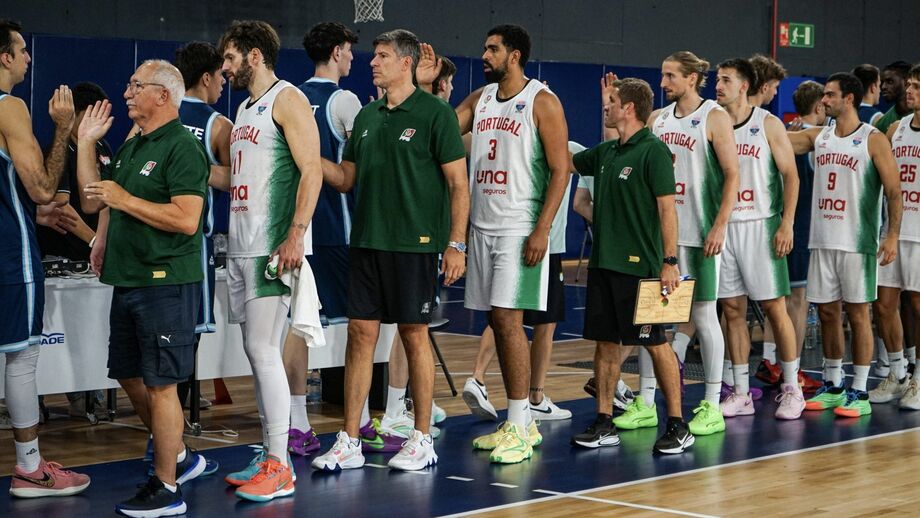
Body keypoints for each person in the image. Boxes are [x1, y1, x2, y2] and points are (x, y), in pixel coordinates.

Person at [311, 29, 468, 472]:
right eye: (373, 55)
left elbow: (459, 185)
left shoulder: (435, 114)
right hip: (366, 242)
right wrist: (308, 154)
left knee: (413, 334)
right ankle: (350, 439)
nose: (372, 62)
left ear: (406, 63)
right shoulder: (367, 116)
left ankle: (420, 438)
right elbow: (346, 179)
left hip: (415, 246)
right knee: (360, 335)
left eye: (381, 56)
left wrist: (455, 245)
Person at [418, 24, 571, 464]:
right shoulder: (481, 99)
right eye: (484, 48)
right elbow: (440, 129)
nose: (484, 55)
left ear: (515, 55)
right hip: (481, 227)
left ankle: (522, 425)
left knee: (508, 320)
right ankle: (517, 421)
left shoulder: (542, 100)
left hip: (519, 227)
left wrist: (543, 229)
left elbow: (561, 171)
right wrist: (426, 87)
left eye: (493, 49)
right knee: (499, 322)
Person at [76, 60, 211, 516]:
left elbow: (188, 219)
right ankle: (180, 458)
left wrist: (124, 200)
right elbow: (95, 198)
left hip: (165, 281)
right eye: (129, 83)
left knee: (161, 384)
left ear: (163, 96)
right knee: (129, 373)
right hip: (128, 277)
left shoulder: (182, 148)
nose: (128, 92)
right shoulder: (135, 145)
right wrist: (84, 144)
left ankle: (168, 488)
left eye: (137, 85)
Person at [217, 20, 323, 500]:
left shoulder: (288, 98)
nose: (224, 67)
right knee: (255, 352)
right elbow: (237, 178)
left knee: (263, 349)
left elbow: (312, 170)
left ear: (255, 55)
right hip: (240, 243)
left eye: (231, 57)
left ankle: (281, 463)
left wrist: (296, 233)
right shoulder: (243, 108)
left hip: (271, 245)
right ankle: (270, 452)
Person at [570, 74, 692, 453]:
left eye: (610, 101)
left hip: (642, 268)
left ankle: (677, 424)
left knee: (655, 345)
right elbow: (564, 158)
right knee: (605, 346)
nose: (605, 107)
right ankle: (604, 421)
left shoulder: (653, 151)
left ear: (629, 108)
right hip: (604, 265)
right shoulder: (606, 153)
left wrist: (669, 261)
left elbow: (667, 210)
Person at [0, 18, 91, 499]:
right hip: (10, 255)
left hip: (14, 232)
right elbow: (40, 187)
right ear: (4, 57)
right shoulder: (10, 107)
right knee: (22, 357)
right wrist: (63, 129)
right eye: (21, 49)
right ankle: (30, 468)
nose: (29, 58)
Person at [787, 72, 903, 417]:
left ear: (848, 99)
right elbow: (783, 141)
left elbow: (895, 191)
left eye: (830, 95)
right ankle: (834, 384)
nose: (824, 100)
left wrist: (892, 234)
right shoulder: (819, 136)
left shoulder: (873, 139)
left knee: (858, 314)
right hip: (822, 240)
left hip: (858, 242)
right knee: (825, 312)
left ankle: (859, 390)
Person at [647, 51, 740, 436]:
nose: (663, 82)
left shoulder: (714, 117)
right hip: (664, 234)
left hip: (701, 234)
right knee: (651, 319)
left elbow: (734, 176)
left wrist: (720, 225)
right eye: (663, 75)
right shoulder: (658, 118)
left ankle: (712, 403)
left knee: (703, 317)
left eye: (670, 76)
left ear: (691, 78)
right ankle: (645, 400)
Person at [282, 20, 363, 457]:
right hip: (336, 229)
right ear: (336, 52)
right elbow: (362, 166)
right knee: (361, 327)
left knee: (298, 326)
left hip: (296, 228)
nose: (353, 57)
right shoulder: (344, 100)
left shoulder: (288, 97)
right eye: (349, 49)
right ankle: (364, 419)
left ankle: (296, 423)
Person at [711, 59, 803, 419]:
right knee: (732, 310)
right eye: (717, 79)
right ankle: (740, 391)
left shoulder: (767, 124)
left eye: (725, 80)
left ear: (744, 85)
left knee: (773, 308)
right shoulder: (711, 121)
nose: (717, 85)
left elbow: (791, 177)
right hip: (725, 226)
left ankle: (792, 387)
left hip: (761, 224)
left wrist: (787, 224)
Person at [461, 140, 577, 423]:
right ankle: (534, 398)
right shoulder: (567, 149)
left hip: (516, 235)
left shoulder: (511, 145)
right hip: (543, 242)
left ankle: (478, 376)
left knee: (504, 316)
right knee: (540, 325)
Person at [755, 80, 827, 394]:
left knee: (776, 300)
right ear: (820, 106)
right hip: (799, 228)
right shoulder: (815, 140)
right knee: (796, 303)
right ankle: (792, 368)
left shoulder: (778, 132)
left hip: (774, 226)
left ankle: (771, 361)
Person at [173, 41, 233, 418]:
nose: (224, 84)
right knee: (186, 337)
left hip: (155, 236)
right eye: (221, 77)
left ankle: (165, 429)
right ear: (206, 77)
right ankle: (172, 429)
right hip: (192, 243)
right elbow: (234, 180)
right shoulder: (218, 126)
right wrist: (193, 169)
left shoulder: (155, 114)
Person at [870, 64, 920, 408]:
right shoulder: (897, 128)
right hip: (894, 231)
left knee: (917, 305)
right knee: (884, 305)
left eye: (917, 86)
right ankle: (899, 373)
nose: (909, 91)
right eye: (910, 85)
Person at [875, 61, 912, 134]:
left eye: (890, 82)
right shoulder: (882, 123)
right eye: (882, 82)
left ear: (906, 82)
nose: (883, 87)